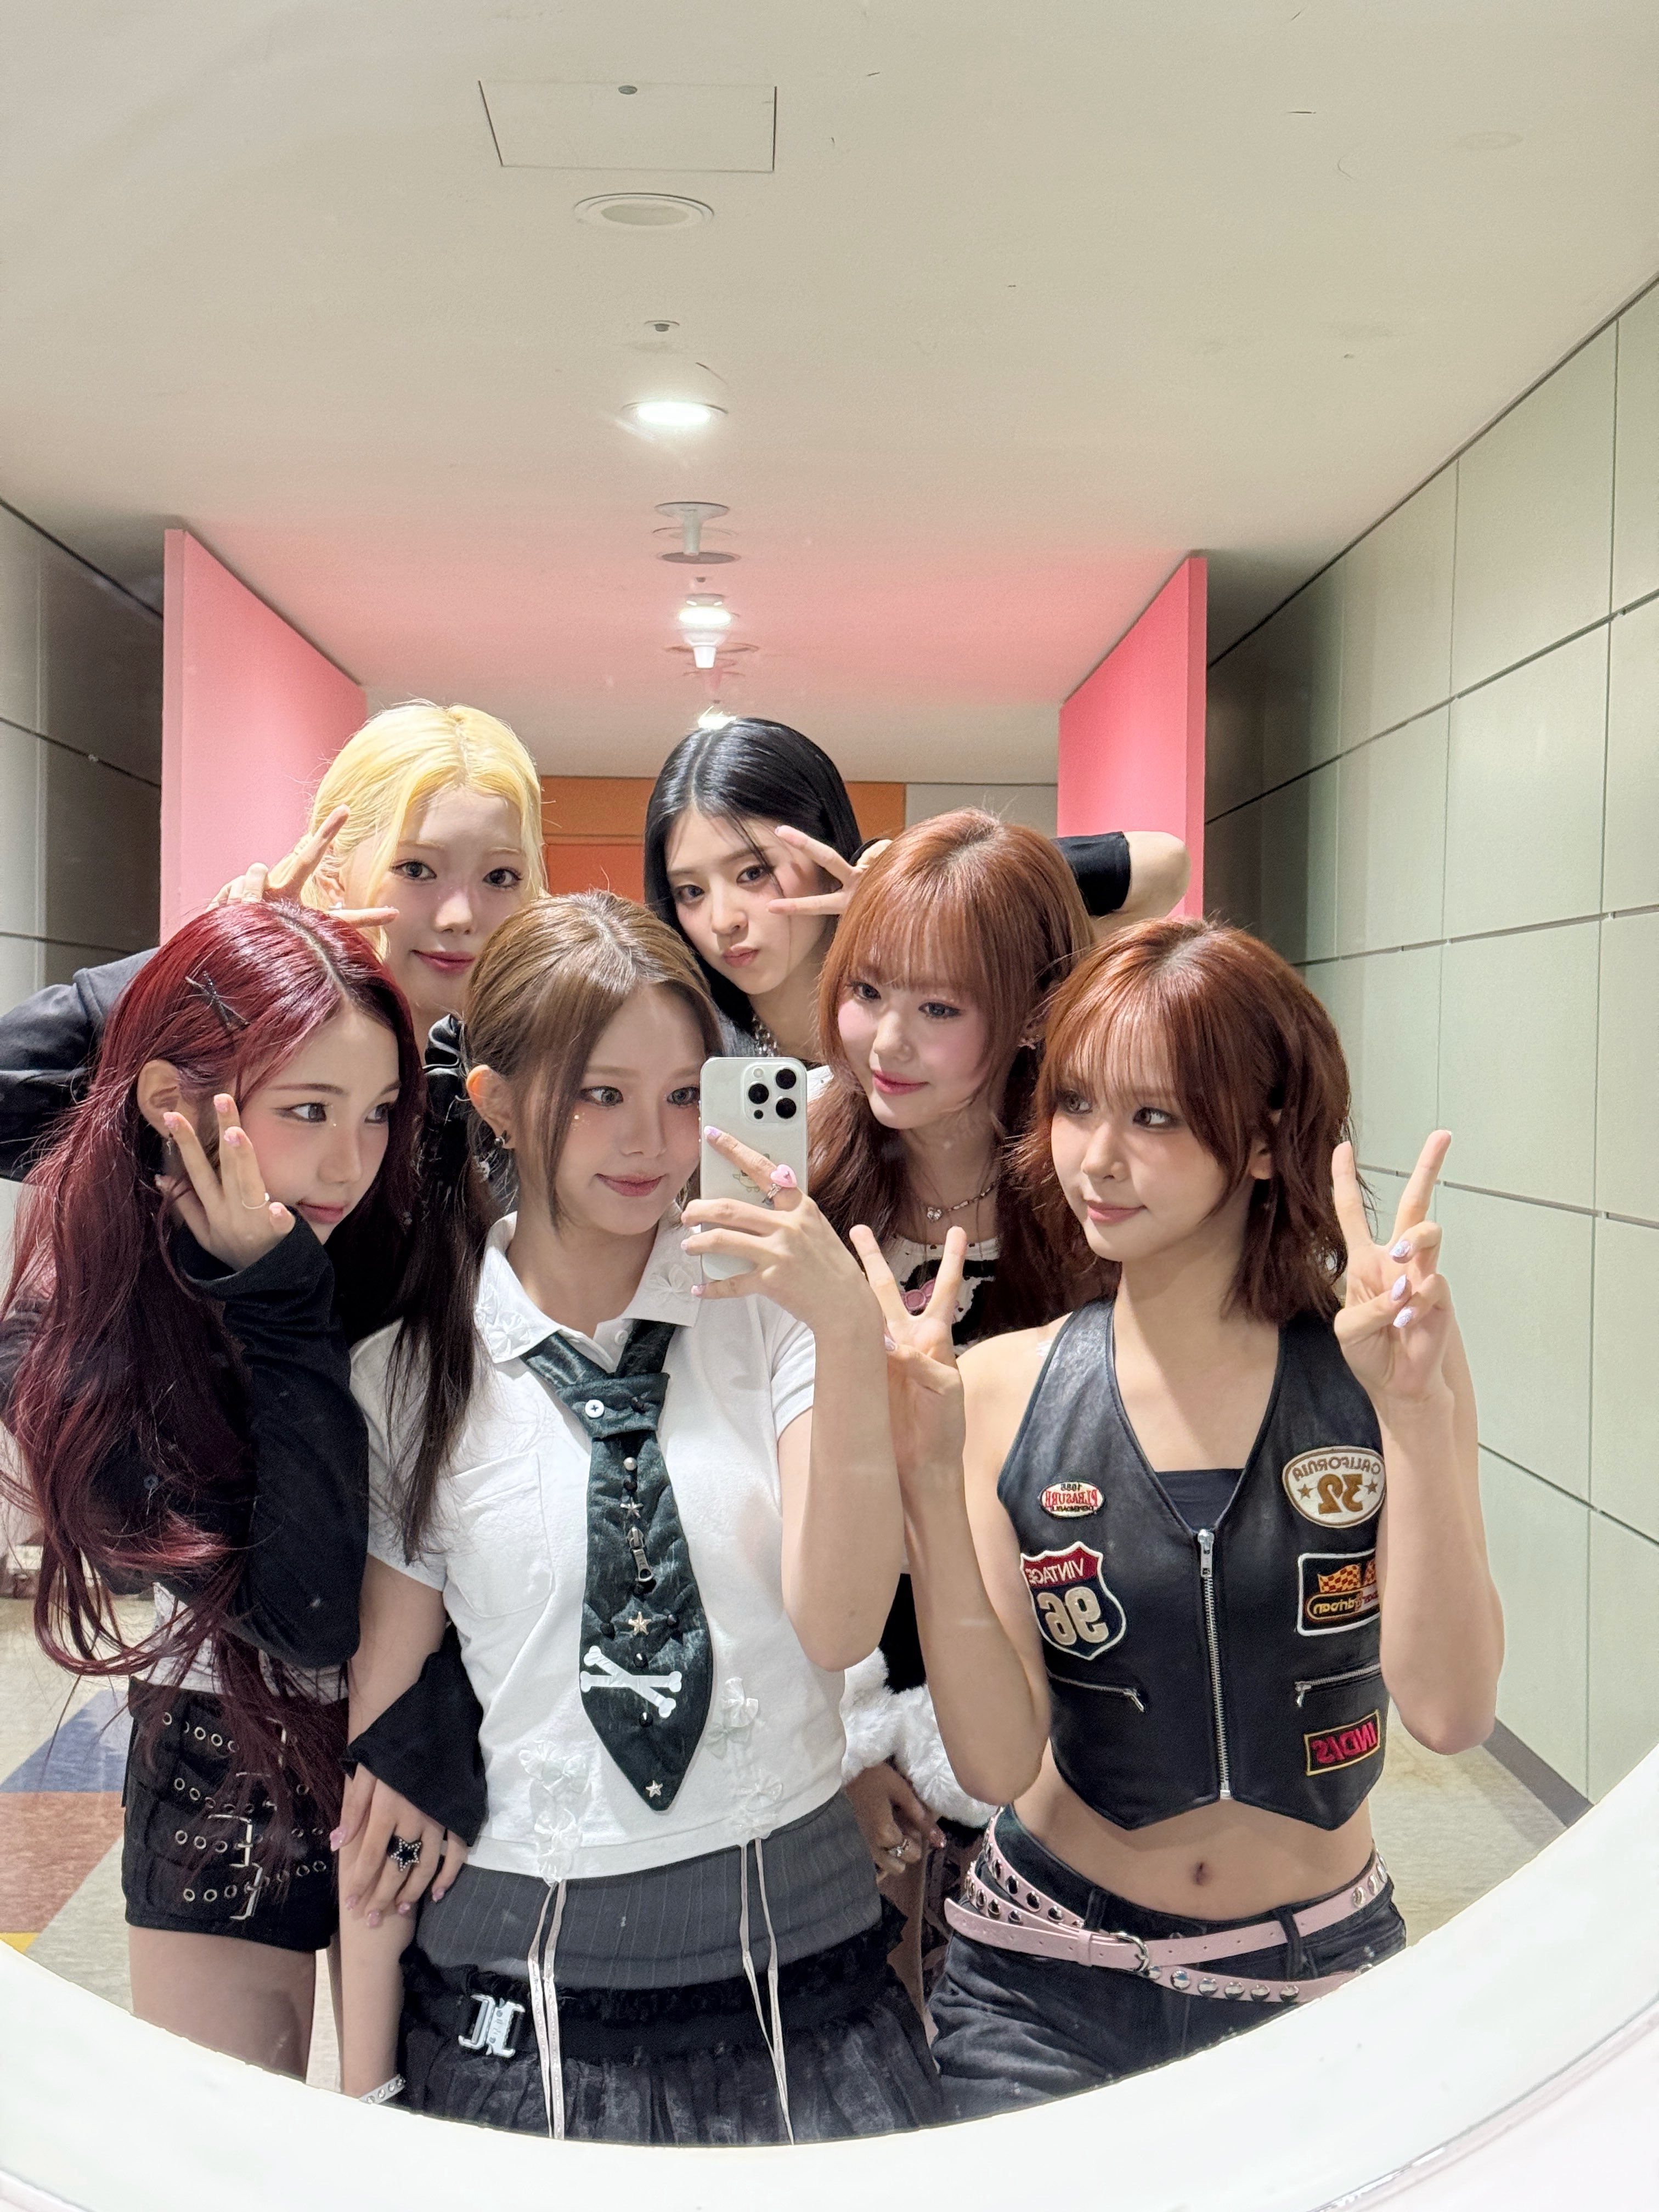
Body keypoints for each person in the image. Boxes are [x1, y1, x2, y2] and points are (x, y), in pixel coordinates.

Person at [860, 918, 1503, 2115]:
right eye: (1076, 1104)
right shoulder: (997, 1387)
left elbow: (1451, 1712)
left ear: (1262, 1139)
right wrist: (929, 1486)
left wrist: (1415, 1418)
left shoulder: (1380, 1369)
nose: (1096, 1158)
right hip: (1041, 1981)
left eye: (1152, 1116)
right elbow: (995, 1762)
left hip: (1319, 1981)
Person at [338, 893, 941, 2143]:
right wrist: (364, 2097)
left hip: (805, 1976)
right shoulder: (410, 1374)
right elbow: (382, 1763)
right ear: (498, 1103)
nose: (650, 1142)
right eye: (599, 1094)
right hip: (524, 2002)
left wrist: (842, 1323)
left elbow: (837, 1625)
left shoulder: (773, 1318)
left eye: (680, 1095)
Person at [1, 902, 424, 2075]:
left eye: (379, 1110)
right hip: (223, 1744)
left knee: (417, 2129)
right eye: (308, 1110)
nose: (350, 1161)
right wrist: (282, 1309)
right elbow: (305, 1613)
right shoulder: (72, 1340)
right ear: (168, 1101)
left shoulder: (407, 1241)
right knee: (236, 2143)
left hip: (431, 1734)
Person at [808, 810, 1105, 1990]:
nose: (886, 1039)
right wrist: (841, 1745)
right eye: (866, 990)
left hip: (1066, 1725)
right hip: (848, 1702)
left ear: (1029, 1012)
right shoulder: (809, 1195)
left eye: (938, 1006)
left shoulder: (1094, 1208)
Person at [0, 698, 545, 1181]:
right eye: (417, 869)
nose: (459, 917)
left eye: (500, 877)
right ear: (332, 875)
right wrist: (213, 969)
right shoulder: (239, 1069)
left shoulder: (522, 1083)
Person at [641, 715, 1190, 1071]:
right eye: (690, 891)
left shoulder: (940, 971)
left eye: (752, 873)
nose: (722, 920)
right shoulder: (695, 1044)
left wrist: (908, 889)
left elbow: (1163, 866)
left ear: (825, 849)